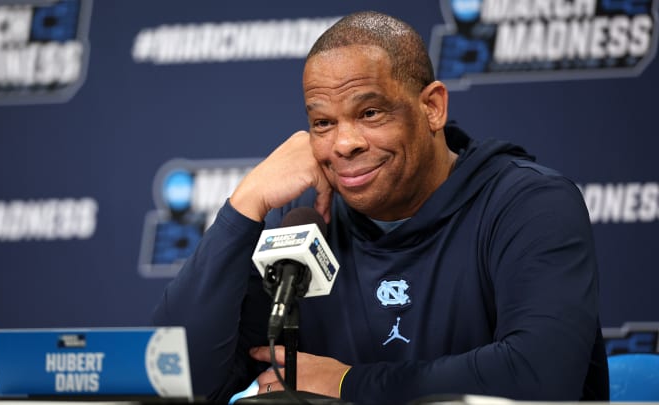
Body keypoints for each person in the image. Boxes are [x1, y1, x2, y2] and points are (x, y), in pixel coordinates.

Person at [152, 10, 609, 404]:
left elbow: (540, 380)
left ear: (432, 107)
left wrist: (349, 384)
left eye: (370, 113)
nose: (344, 144)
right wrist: (244, 204)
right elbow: (176, 379)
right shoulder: (303, 228)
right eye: (322, 123)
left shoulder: (527, 205)